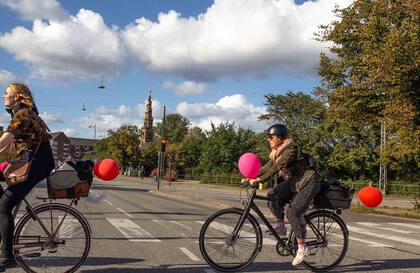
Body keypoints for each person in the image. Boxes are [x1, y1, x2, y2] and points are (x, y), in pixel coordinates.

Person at [241, 124, 320, 266]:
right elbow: (267, 167)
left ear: (281, 138)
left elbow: (277, 167)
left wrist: (259, 180)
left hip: (308, 182)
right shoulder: (277, 152)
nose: (268, 140)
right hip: (294, 183)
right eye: (268, 137)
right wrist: (250, 176)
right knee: (272, 196)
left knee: (293, 212)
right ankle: (281, 227)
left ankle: (302, 248)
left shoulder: (290, 150)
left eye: (271, 137)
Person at [0, 83, 54, 270]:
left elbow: (4, 141)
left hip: (36, 164)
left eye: (6, 93)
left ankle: (7, 256)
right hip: (28, 162)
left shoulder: (22, 114)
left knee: (4, 205)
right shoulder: (23, 113)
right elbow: (6, 147)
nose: (3, 96)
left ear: (17, 97)